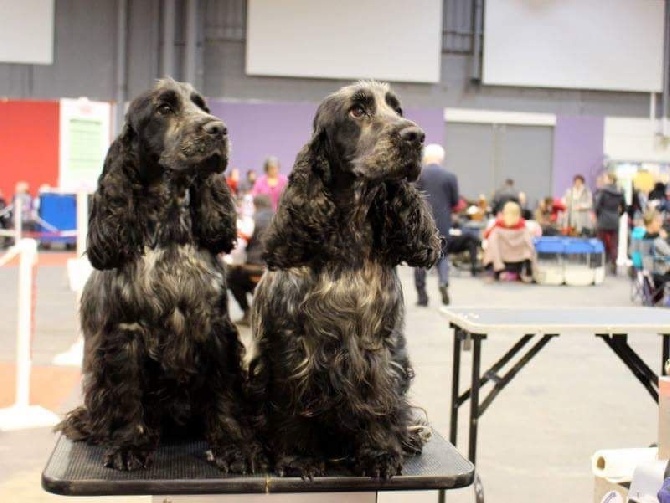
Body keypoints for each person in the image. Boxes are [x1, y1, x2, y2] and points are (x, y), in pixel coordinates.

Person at [413, 143, 459, 306]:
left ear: (425, 157)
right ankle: (443, 282)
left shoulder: (418, 174)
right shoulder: (450, 176)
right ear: (441, 158)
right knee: (443, 254)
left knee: (420, 257)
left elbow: (411, 197)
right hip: (443, 220)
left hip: (421, 220)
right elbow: (455, 202)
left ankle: (422, 297)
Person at [227, 195, 274, 326]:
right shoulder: (278, 219)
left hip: (253, 268)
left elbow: (239, 248)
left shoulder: (251, 220)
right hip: (274, 269)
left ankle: (247, 312)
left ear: (255, 206)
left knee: (231, 277)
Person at [482, 200, 536, 282]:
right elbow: (529, 243)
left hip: (500, 256)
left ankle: (494, 270)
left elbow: (486, 236)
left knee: (490, 245)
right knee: (528, 248)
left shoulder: (497, 226)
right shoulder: (523, 227)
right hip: (519, 257)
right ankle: (528, 272)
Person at [594, 172, 625, 275]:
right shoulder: (620, 192)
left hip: (603, 219)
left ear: (610, 179)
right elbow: (624, 207)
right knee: (614, 244)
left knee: (600, 242)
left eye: (605, 178)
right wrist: (618, 214)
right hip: (614, 220)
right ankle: (613, 263)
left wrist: (599, 216)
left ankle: (600, 263)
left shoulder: (603, 191)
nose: (604, 180)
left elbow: (597, 206)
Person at [641, 210, 670, 304]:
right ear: (650, 223)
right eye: (657, 221)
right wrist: (664, 238)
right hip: (660, 271)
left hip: (650, 270)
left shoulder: (644, 238)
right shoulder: (656, 240)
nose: (660, 223)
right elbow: (668, 252)